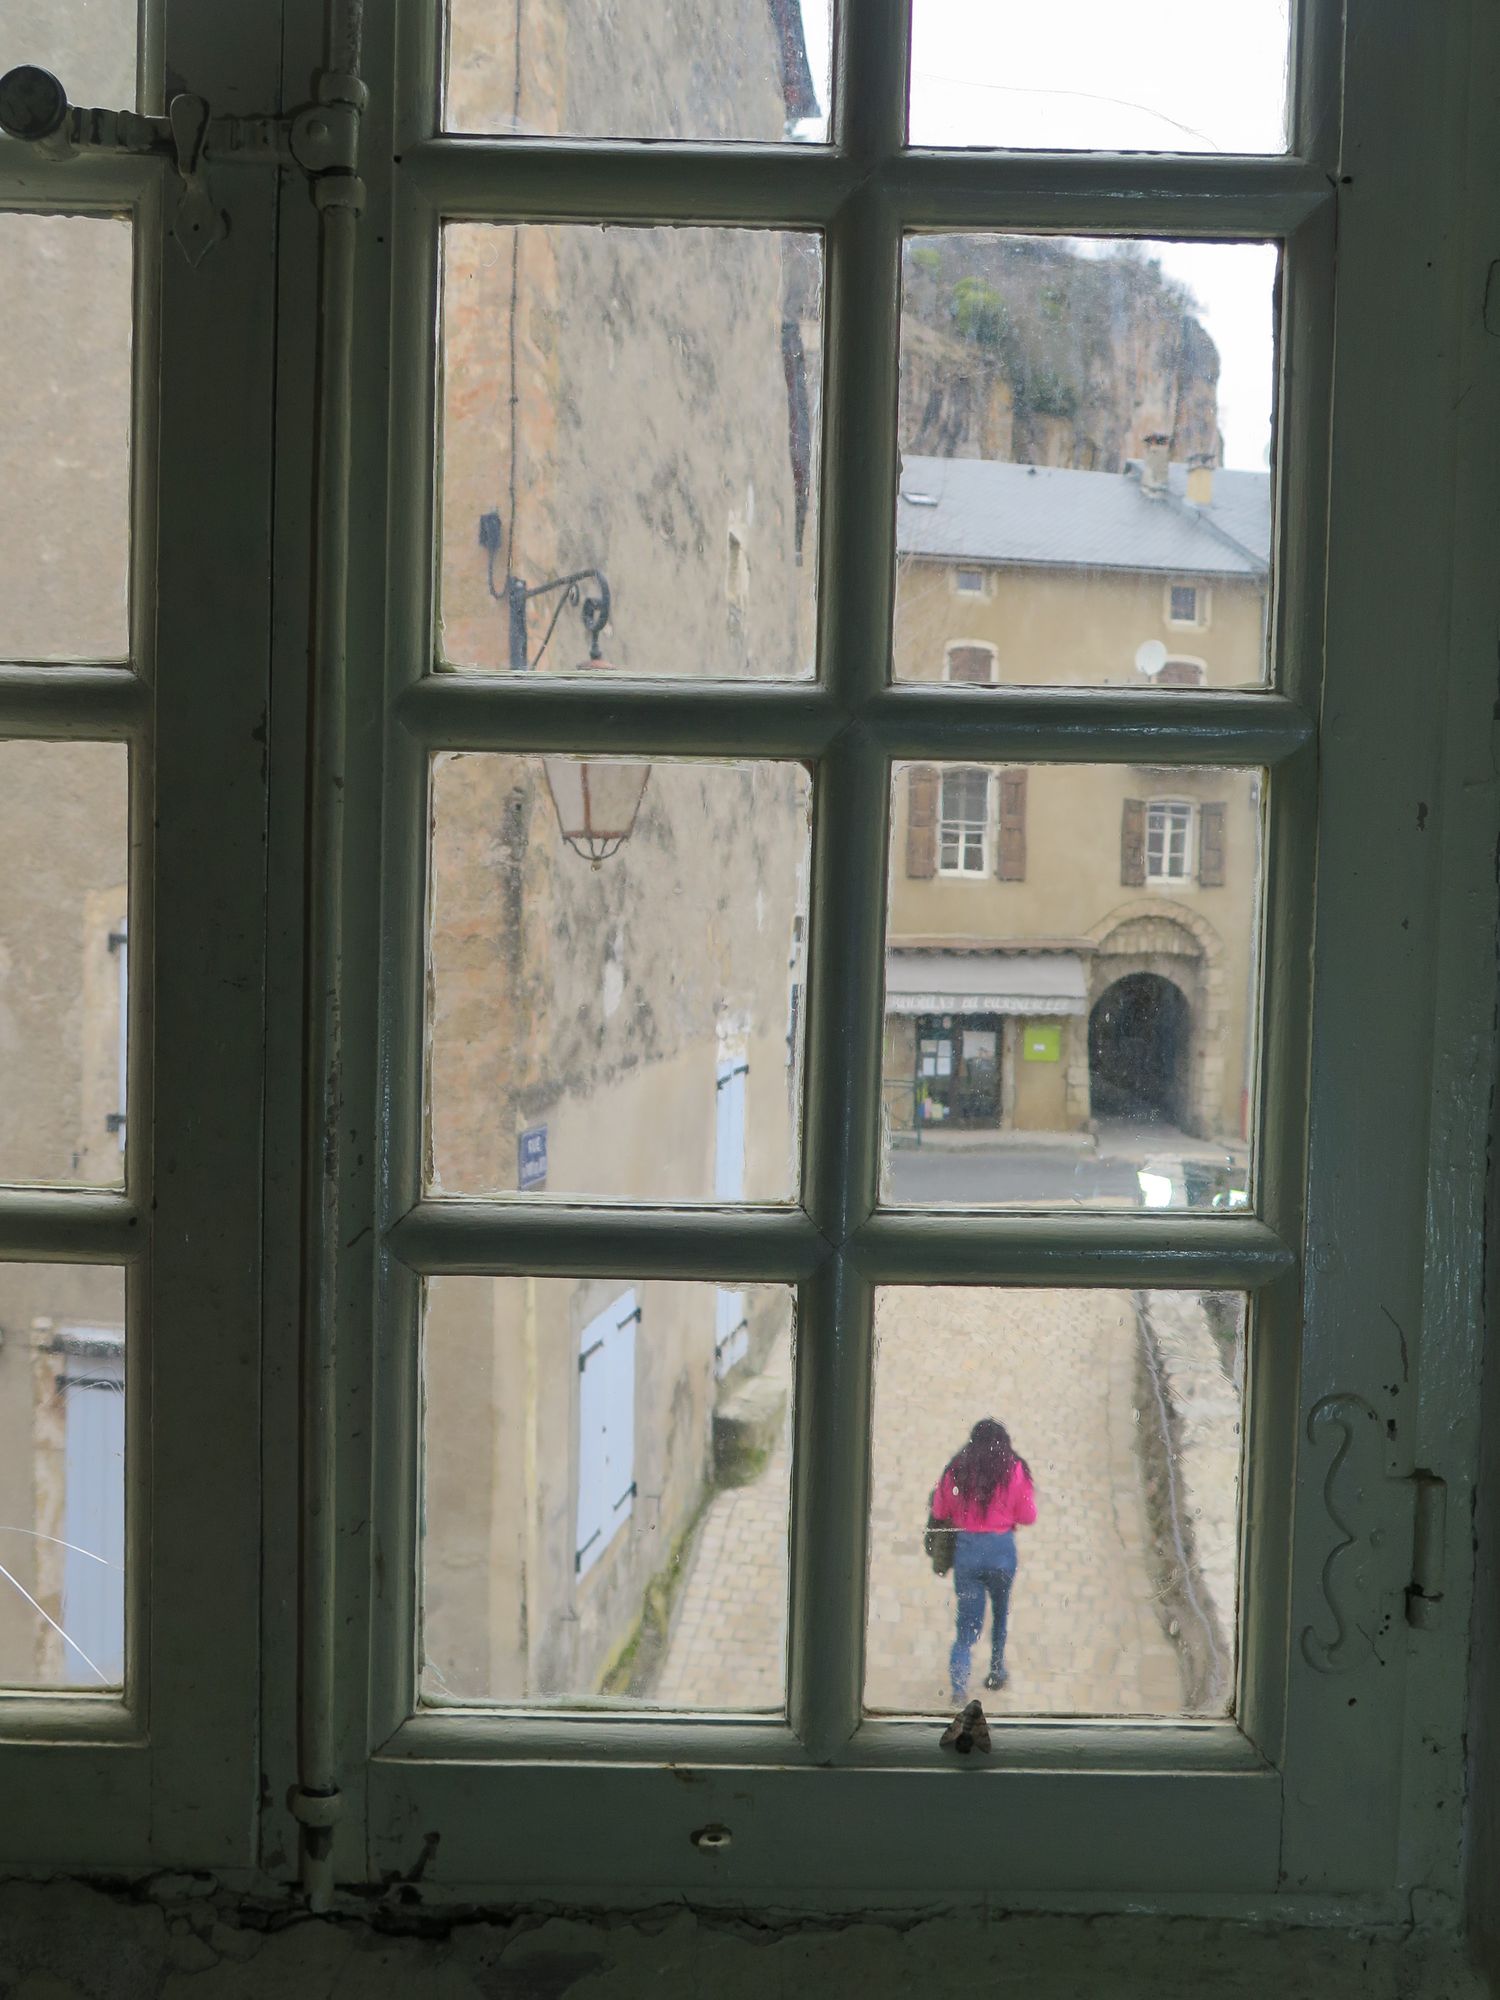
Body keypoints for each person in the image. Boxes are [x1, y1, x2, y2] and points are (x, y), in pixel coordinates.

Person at [929, 1418, 1037, 1702]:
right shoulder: (1014, 1471)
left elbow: (940, 1510)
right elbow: (1028, 1516)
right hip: (1002, 1552)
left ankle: (958, 1690)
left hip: (967, 1554)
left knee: (966, 1629)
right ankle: (996, 1671)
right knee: (1000, 1615)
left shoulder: (958, 1470)